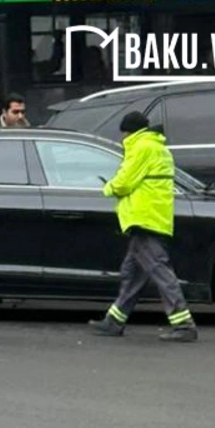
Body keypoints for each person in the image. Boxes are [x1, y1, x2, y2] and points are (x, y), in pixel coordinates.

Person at [89, 111, 198, 343]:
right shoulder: (157, 147)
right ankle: (114, 320)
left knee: (159, 270)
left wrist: (108, 188)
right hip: (153, 217)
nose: (123, 137)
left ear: (130, 130)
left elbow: (125, 181)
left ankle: (183, 324)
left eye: (125, 132)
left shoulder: (141, 147)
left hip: (144, 218)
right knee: (132, 273)